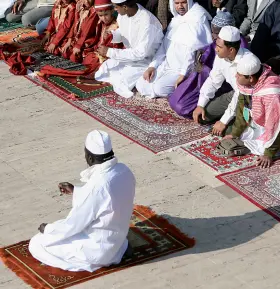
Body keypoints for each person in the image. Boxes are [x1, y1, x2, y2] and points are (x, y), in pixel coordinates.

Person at [28, 130, 136, 272]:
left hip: (98, 249)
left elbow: (74, 224)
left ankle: (97, 262)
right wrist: (76, 191)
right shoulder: (124, 170)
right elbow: (105, 199)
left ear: (89, 158)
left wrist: (48, 229)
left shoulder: (97, 186)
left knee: (37, 243)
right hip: (118, 239)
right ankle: (119, 249)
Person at [224, 53, 280, 168]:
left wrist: (268, 154)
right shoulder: (249, 84)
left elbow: (276, 123)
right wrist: (234, 134)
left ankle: (274, 149)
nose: (235, 76)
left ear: (250, 78)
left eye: (239, 75)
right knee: (230, 132)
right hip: (262, 118)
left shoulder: (272, 94)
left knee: (271, 148)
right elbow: (242, 109)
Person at [168, 11, 248, 118]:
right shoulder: (221, 43)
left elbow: (233, 85)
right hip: (210, 80)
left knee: (195, 113)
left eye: (216, 33)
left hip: (228, 89)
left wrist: (223, 121)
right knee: (175, 100)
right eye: (212, 31)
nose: (213, 36)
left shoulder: (241, 53)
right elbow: (214, 76)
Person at [135, 0, 212, 99]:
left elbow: (192, 54)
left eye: (183, 2)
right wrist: (152, 66)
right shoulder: (176, 20)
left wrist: (183, 74)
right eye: (177, 3)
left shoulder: (197, 19)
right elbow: (163, 48)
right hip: (166, 65)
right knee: (141, 83)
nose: (180, 6)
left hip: (183, 71)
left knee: (159, 88)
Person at [94, 0, 163, 99]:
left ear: (125, 7)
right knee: (104, 68)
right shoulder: (122, 15)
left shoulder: (147, 21)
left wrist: (109, 52)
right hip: (131, 56)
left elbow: (140, 53)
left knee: (122, 82)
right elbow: (124, 33)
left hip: (147, 61)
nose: (114, 9)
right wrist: (112, 35)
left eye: (116, 7)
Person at [192, 26, 254, 134]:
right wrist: (200, 104)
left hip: (251, 100)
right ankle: (234, 118)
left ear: (231, 50)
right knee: (202, 117)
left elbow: (242, 96)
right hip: (235, 94)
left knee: (228, 131)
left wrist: (223, 121)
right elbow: (213, 80)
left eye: (219, 47)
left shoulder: (246, 63)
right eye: (216, 45)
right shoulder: (221, 56)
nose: (216, 49)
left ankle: (243, 121)